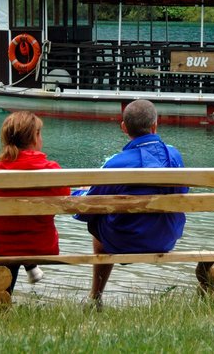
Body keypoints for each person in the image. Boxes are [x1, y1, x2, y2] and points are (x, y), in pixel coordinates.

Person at [74, 99, 187, 308]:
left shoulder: (115, 164)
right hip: (165, 239)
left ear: (124, 127)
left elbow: (88, 209)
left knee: (97, 222)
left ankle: (95, 296)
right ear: (155, 126)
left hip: (122, 242)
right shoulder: (174, 156)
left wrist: (79, 192)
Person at [0, 111, 70, 291]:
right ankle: (28, 266)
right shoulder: (51, 170)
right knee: (21, 231)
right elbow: (64, 196)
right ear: (35, 137)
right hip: (38, 244)